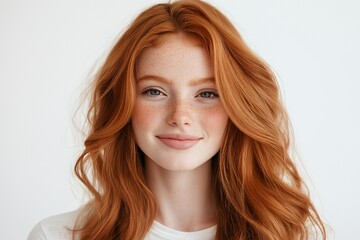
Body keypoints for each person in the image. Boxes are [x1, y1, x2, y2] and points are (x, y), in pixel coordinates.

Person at [28, 0, 327, 239]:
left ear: (239, 105)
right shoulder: (56, 236)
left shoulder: (288, 234)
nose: (180, 117)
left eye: (207, 94)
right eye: (155, 91)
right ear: (122, 103)